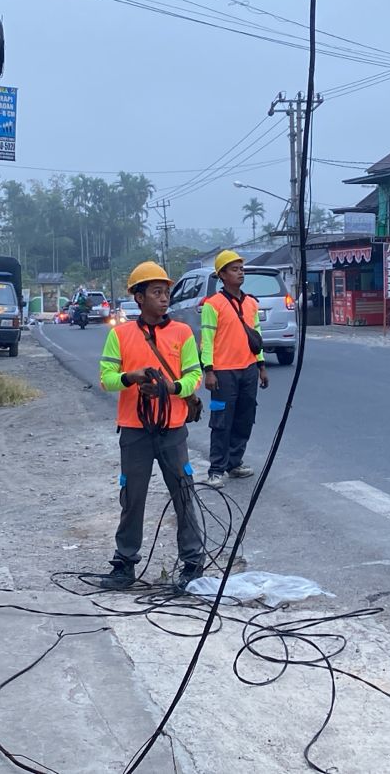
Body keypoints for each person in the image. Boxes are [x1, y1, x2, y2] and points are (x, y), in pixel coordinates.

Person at [96, 261, 207, 589]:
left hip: (172, 429)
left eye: (165, 292)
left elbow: (194, 376)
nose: (164, 298)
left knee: (184, 495)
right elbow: (106, 380)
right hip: (134, 430)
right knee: (132, 498)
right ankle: (125, 563)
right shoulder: (120, 336)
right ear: (138, 297)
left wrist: (171, 388)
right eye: (156, 292)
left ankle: (192, 562)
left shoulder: (182, 333)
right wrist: (131, 378)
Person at [200, 250, 270, 485]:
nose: (240, 272)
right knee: (221, 421)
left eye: (241, 268)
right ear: (222, 275)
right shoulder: (213, 305)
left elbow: (256, 336)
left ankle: (235, 462)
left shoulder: (251, 303)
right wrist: (208, 370)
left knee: (244, 417)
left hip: (249, 369)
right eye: (234, 269)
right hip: (223, 372)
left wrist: (261, 366)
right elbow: (207, 339)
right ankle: (217, 468)